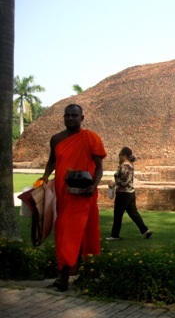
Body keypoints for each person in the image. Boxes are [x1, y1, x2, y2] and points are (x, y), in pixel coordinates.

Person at [41, 104, 107, 291]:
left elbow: (99, 167)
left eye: (74, 115)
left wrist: (93, 186)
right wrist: (45, 177)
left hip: (84, 195)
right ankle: (80, 271)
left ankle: (64, 275)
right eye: (67, 115)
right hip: (64, 194)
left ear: (82, 118)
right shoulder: (56, 139)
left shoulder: (90, 138)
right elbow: (52, 161)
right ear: (63, 117)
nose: (70, 118)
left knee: (71, 231)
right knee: (64, 230)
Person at [106, 147, 152, 241]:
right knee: (133, 213)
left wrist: (114, 184)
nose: (119, 157)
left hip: (123, 194)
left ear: (123, 155)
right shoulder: (130, 165)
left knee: (118, 214)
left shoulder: (124, 166)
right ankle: (145, 231)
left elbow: (123, 181)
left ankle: (115, 235)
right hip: (130, 193)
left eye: (120, 155)